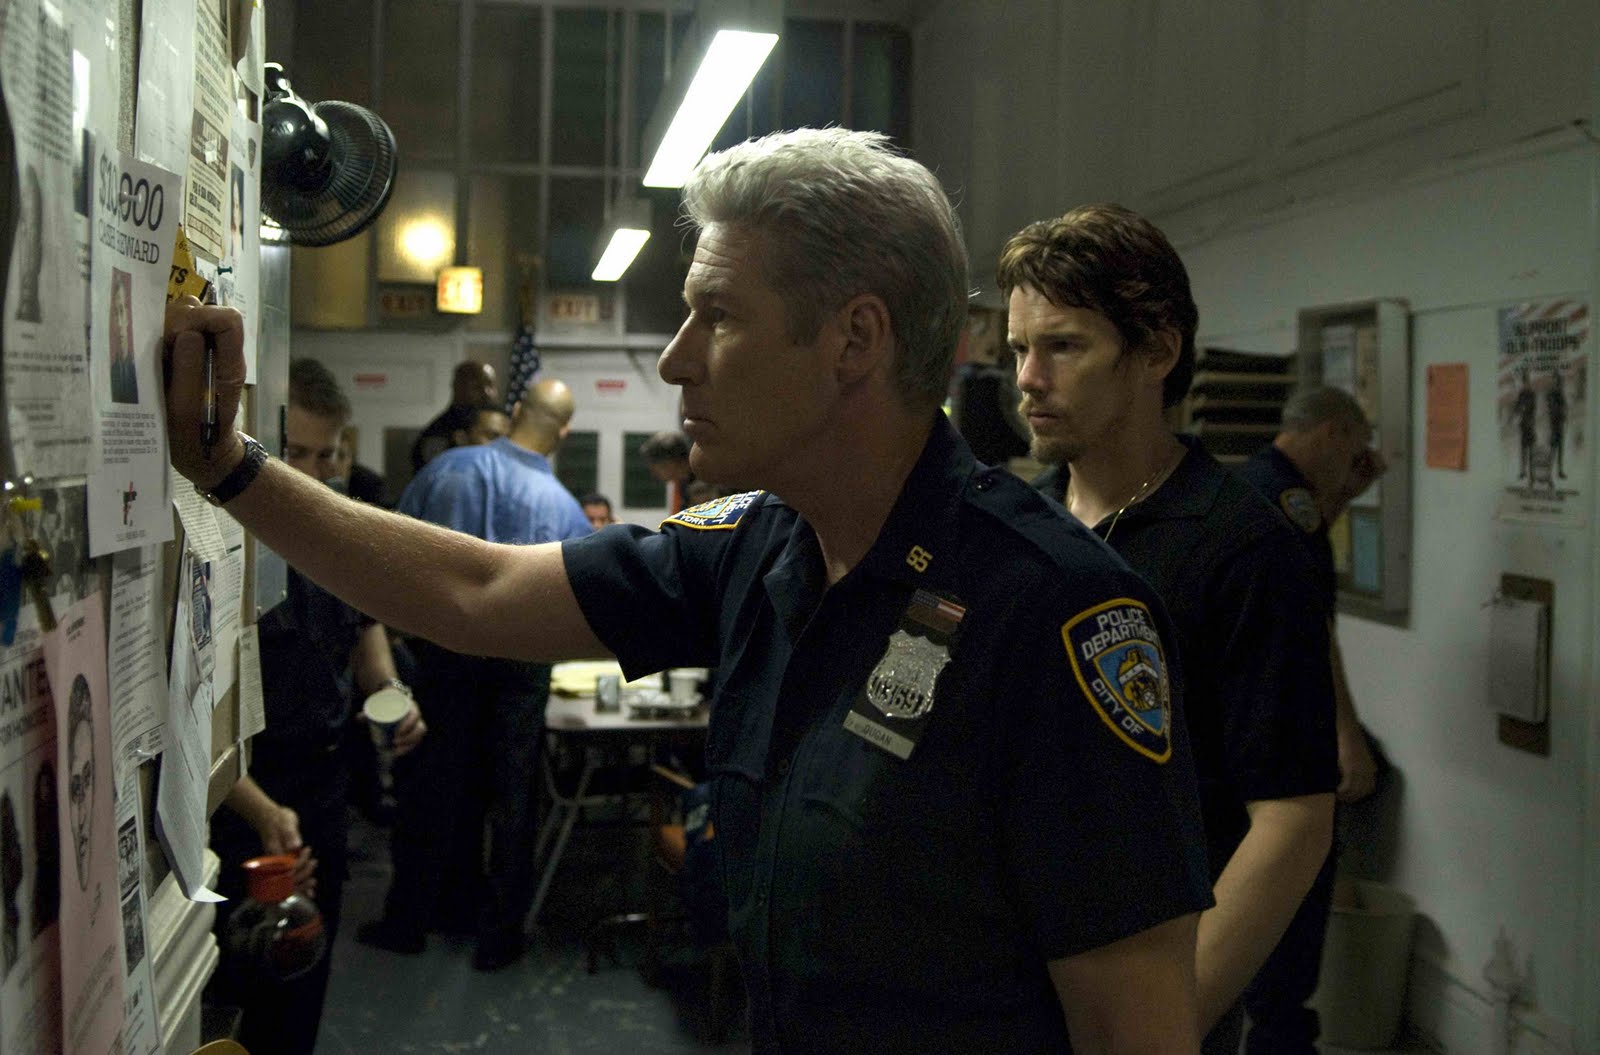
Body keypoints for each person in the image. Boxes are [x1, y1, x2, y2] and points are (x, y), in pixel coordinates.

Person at [163, 128, 1212, 1053]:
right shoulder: (757, 547)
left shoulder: (1054, 612)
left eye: (717, 316)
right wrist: (231, 468)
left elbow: (1135, 1030)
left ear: (854, 339)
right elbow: (478, 591)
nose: (674, 360)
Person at [1000, 203, 1337, 1053]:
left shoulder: (1244, 547)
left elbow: (1294, 818)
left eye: (1063, 346)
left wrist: (1170, 1019)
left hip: (1148, 994)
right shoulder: (1017, 531)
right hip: (1012, 985)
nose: (1028, 378)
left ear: (1156, 351)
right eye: (1018, 349)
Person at [205, 358, 425, 1055]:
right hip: (242, 794)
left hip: (321, 787)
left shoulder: (334, 531)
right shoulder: (221, 539)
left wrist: (390, 694)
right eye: (295, 453)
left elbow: (363, 631)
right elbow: (190, 717)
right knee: (240, 992)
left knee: (304, 970)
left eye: (327, 456)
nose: (312, 473)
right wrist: (264, 815)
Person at [360, 378, 592, 971]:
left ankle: (414, 920)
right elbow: (581, 608)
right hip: (523, 665)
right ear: (564, 432)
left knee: (433, 787)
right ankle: (501, 936)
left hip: (446, 652)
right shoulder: (566, 509)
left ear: (514, 412)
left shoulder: (448, 471)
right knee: (513, 798)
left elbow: (390, 556)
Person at [1237, 385, 1386, 1055]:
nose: (1357, 461)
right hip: (1284, 730)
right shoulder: (1289, 501)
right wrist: (1346, 735)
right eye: (1355, 449)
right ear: (1333, 433)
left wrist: (1343, 495)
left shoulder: (1256, 485)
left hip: (1241, 727)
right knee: (1295, 899)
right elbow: (1310, 630)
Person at [411, 360, 499, 471]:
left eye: (491, 386)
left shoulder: (504, 423)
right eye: (477, 386)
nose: (487, 393)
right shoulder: (438, 434)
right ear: (459, 387)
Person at [638, 429, 694, 512]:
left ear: (672, 462)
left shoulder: (703, 485)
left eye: (655, 467)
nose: (654, 473)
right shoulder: (682, 484)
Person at [331, 425, 388, 506]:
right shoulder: (315, 477)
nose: (334, 464)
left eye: (341, 456)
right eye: (327, 456)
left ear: (350, 458)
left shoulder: (369, 484)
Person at [109, 269, 140, 404]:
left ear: (127, 316)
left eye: (121, 311)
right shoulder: (112, 373)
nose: (120, 323)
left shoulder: (138, 371)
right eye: (116, 313)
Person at [1547, 369, 1567, 480]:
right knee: (1553, 449)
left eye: (1557, 380)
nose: (1556, 382)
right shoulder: (1551, 394)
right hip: (1554, 425)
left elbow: (1563, 406)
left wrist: (1563, 414)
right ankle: (1549, 471)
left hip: (1559, 425)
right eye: (1555, 379)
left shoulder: (1560, 393)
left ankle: (1559, 471)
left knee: (1560, 449)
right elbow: (1552, 409)